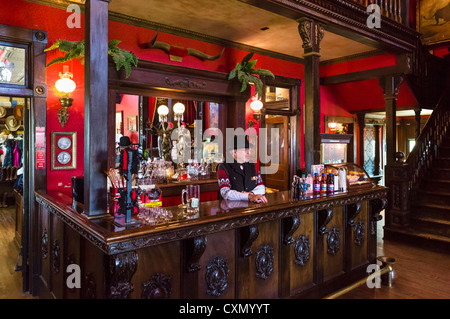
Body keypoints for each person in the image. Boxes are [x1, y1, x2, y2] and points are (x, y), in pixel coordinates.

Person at [217, 135, 267, 203]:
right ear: (235, 152)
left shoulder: (252, 165)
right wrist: (248, 196)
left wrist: (251, 193)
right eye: (245, 150)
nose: (249, 152)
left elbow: (262, 187)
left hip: (252, 205)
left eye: (249, 150)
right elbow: (226, 193)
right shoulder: (223, 167)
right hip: (232, 209)